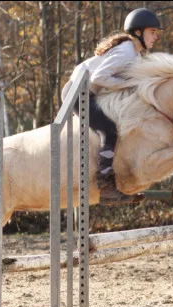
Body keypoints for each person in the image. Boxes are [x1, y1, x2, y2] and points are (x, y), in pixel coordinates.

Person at [61, 8, 162, 206]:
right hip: (76, 94)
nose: (156, 37)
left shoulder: (135, 54)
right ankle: (105, 186)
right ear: (139, 33)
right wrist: (130, 85)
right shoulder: (126, 52)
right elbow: (100, 77)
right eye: (153, 32)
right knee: (110, 130)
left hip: (89, 93)